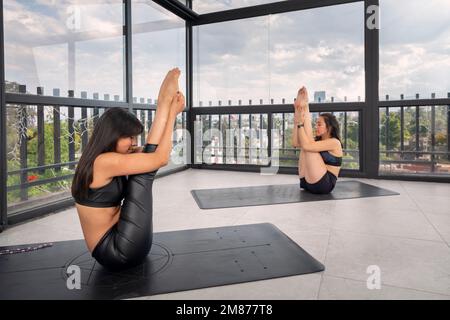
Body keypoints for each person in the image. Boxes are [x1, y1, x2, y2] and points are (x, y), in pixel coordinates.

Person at [71, 68, 185, 271]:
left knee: (144, 164)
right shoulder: (104, 162)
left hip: (117, 238)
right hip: (117, 250)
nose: (133, 143)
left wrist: (165, 112)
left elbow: (151, 151)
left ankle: (162, 105)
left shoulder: (99, 158)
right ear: (112, 135)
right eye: (129, 138)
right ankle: (162, 105)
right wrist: (172, 116)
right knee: (144, 174)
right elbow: (160, 159)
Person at [291, 86, 343, 194]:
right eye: (316, 124)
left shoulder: (335, 143)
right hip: (307, 181)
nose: (316, 126)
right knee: (306, 145)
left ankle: (305, 106)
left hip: (324, 184)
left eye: (319, 124)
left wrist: (301, 121)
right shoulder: (317, 141)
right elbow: (295, 143)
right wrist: (297, 121)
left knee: (308, 145)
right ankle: (303, 107)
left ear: (329, 127)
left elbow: (307, 145)